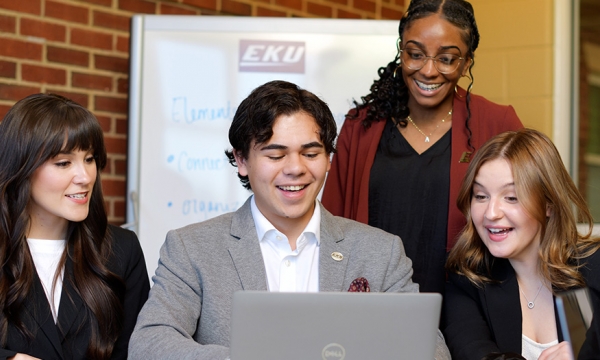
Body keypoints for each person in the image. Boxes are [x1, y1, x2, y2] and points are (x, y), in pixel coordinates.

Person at [128, 80, 451, 359]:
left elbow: (431, 349)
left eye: (310, 153)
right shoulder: (191, 248)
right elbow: (149, 343)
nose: (295, 168)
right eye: (275, 154)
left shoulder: (380, 252)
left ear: (328, 159)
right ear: (241, 160)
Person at [321, 0, 523, 295]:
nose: (428, 71)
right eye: (415, 54)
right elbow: (332, 224)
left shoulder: (497, 123)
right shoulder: (360, 126)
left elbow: (526, 216)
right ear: (401, 51)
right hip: (371, 302)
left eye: (447, 58)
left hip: (468, 304)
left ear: (466, 63)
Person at [0, 93, 150, 360]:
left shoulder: (121, 250)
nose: (84, 177)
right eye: (63, 162)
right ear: (21, 166)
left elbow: (138, 351)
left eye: (90, 158)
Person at [442, 128, 600, 360]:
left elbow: (586, 340)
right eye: (481, 196)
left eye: (511, 197)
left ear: (548, 204)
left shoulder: (589, 268)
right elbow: (474, 351)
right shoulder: (468, 279)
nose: (491, 213)